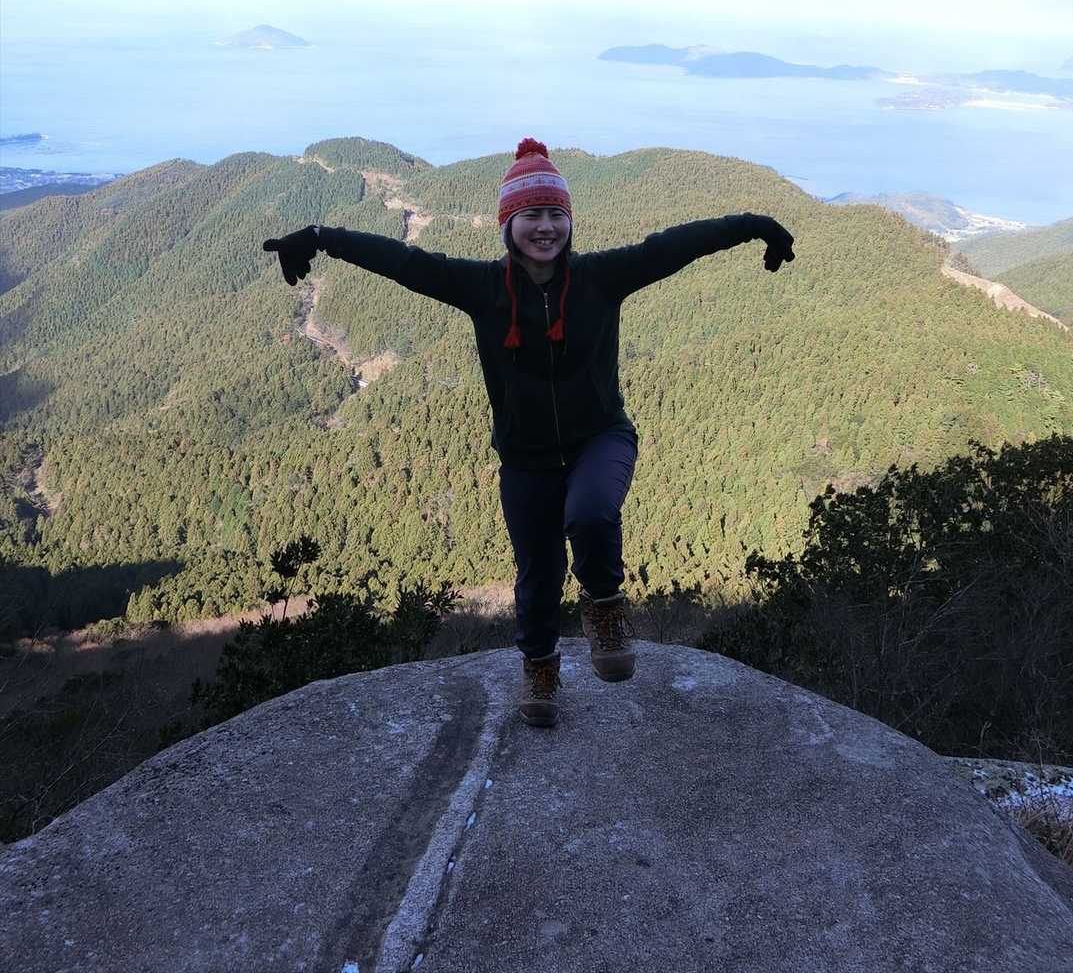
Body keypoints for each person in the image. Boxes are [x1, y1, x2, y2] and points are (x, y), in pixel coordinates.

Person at [263, 137, 795, 728]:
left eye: (555, 214)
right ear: (508, 225)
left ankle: (604, 604)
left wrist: (753, 226)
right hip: (525, 458)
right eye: (531, 215)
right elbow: (404, 263)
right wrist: (320, 237)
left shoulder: (601, 278)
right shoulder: (482, 288)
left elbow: (675, 245)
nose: (545, 228)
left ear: (569, 221)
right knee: (537, 574)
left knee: (591, 513)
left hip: (600, 438)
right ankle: (540, 667)